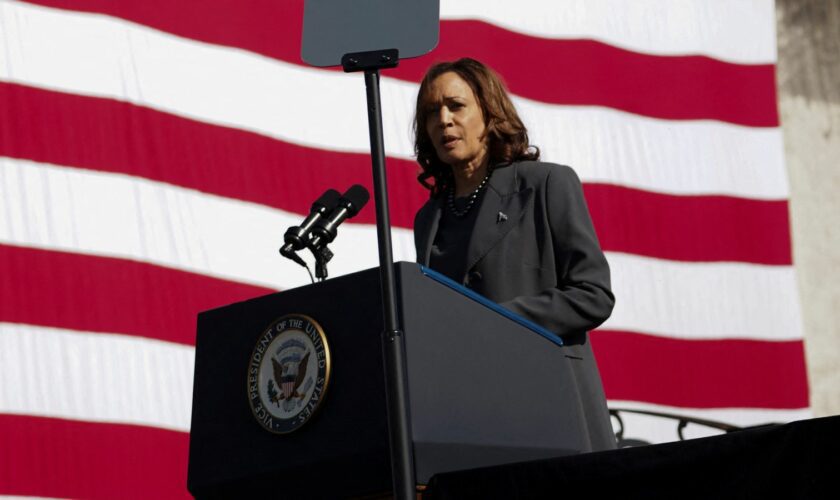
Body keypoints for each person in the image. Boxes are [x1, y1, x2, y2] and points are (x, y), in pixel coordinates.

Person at [412, 58, 617, 451]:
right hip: (474, 420)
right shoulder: (430, 219)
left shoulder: (547, 184)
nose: (443, 119)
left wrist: (498, 322)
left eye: (456, 106)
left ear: (489, 113)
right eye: (430, 112)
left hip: (550, 403)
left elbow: (594, 295)